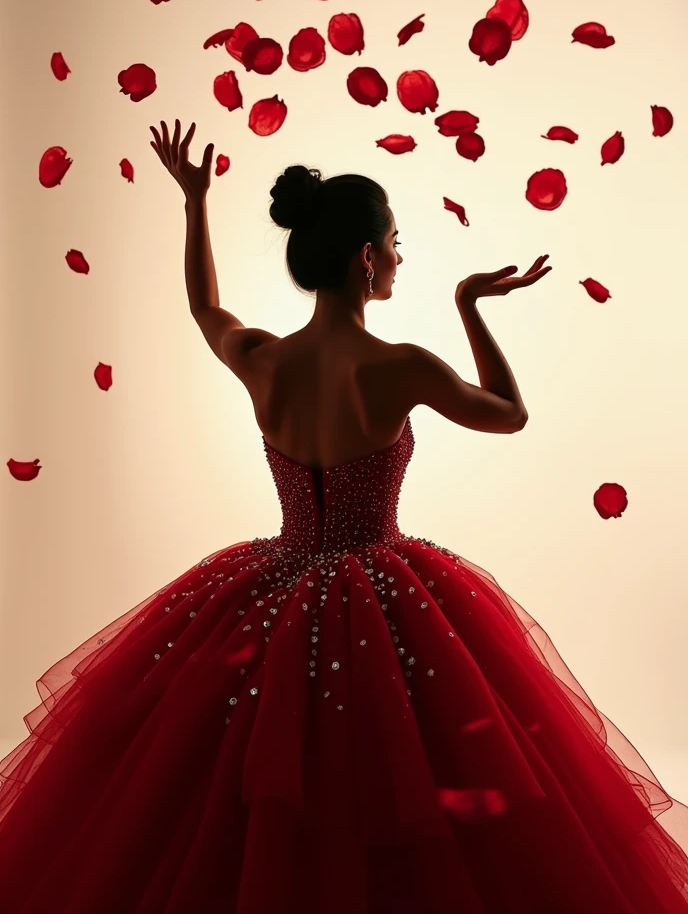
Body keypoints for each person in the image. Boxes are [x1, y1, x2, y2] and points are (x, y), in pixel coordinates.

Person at [0, 119, 687, 913]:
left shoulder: (262, 360)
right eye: (394, 241)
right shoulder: (398, 369)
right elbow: (508, 414)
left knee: (227, 793)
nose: (399, 255)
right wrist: (471, 306)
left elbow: (203, 309)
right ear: (366, 258)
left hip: (269, 583)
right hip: (386, 585)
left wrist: (195, 203)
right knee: (400, 777)